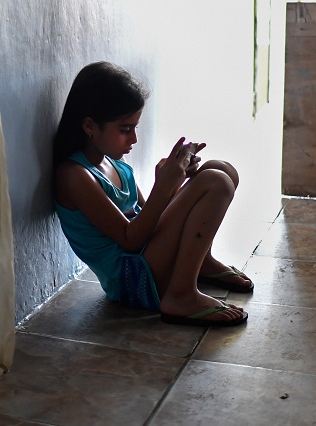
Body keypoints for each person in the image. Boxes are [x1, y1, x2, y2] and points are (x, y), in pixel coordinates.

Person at [53, 61, 251, 327]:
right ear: (90, 126)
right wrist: (164, 187)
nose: (133, 139)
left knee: (221, 169)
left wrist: (177, 178)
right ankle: (181, 295)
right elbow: (130, 239)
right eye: (125, 130)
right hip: (133, 279)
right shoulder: (74, 176)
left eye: (135, 127)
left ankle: (202, 262)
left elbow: (152, 222)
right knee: (216, 182)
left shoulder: (118, 167)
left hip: (149, 258)